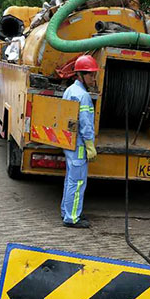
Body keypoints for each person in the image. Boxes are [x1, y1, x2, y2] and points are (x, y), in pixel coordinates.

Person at [60, 55, 99, 228]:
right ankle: (72, 217)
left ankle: (67, 211)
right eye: (91, 75)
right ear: (80, 75)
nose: (94, 78)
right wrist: (90, 145)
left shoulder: (70, 91)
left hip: (69, 143)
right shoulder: (83, 96)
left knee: (70, 180)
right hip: (79, 145)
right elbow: (86, 124)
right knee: (78, 182)